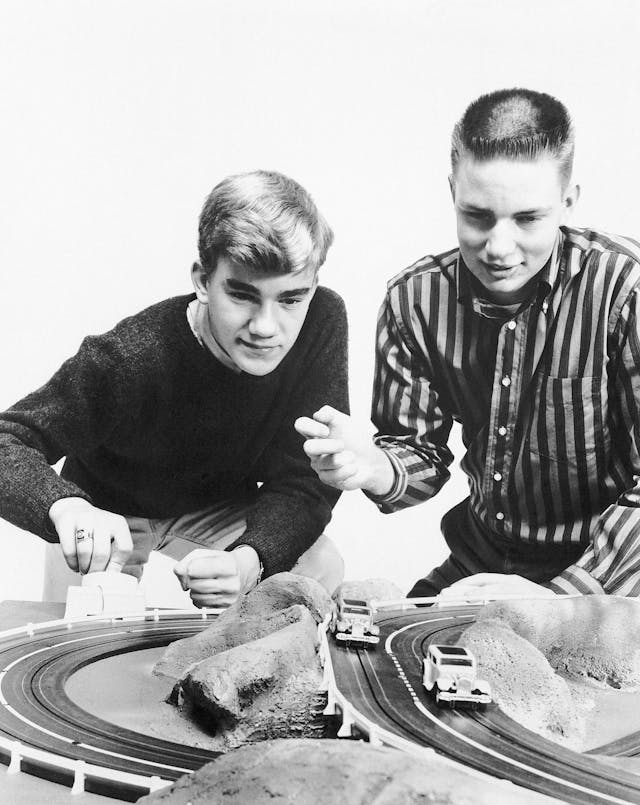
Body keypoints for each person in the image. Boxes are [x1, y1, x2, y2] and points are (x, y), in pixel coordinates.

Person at [296, 88, 640, 600]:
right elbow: (419, 455)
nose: (499, 248)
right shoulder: (413, 299)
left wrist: (562, 597)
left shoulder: (626, 291)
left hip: (601, 576)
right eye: (477, 216)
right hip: (481, 562)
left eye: (528, 219)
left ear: (568, 202)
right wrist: (374, 466)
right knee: (375, 655)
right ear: (452, 191)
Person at [0, 170, 348, 607]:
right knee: (67, 652)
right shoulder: (128, 357)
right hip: (105, 512)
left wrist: (250, 560)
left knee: (318, 566)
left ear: (313, 286)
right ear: (202, 280)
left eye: (290, 299)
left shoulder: (322, 322)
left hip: (219, 505)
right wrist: (67, 508)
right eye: (242, 295)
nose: (266, 327)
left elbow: (306, 478)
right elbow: (6, 441)